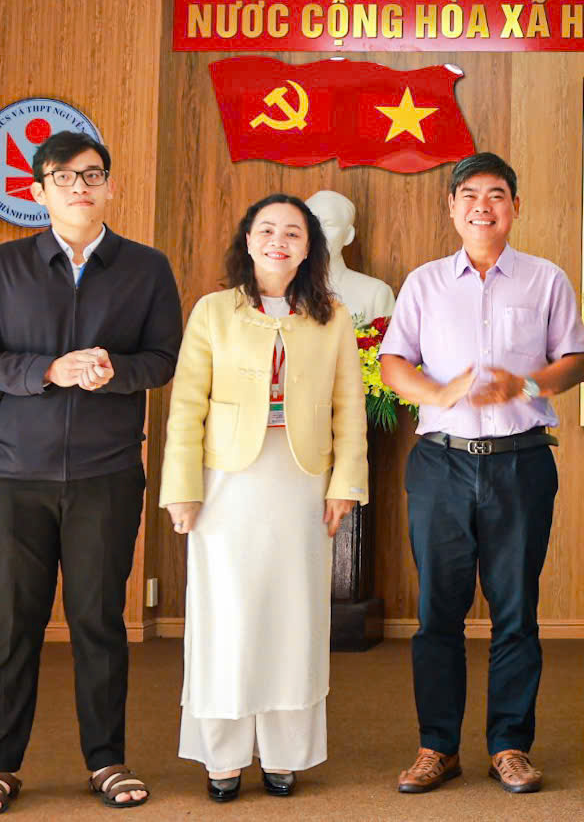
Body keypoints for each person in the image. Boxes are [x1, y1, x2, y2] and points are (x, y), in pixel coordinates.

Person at [0, 132, 180, 815]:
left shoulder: (145, 268)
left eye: (92, 174)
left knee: (99, 621)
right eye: (63, 177)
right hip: (13, 476)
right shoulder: (2, 266)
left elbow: (163, 358)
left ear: (110, 185)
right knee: (15, 622)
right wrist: (45, 370)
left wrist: (116, 371)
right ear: (38, 191)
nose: (80, 186)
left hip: (107, 475)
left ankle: (106, 759)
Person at [380, 152, 584, 796]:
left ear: (515, 207)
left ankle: (509, 746)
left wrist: (524, 383)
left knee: (516, 611)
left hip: (520, 462)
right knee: (437, 613)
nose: (482, 206)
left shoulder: (546, 278)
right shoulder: (423, 283)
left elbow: (576, 361)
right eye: (469, 195)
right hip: (440, 464)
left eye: (496, 195)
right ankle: (436, 747)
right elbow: (393, 363)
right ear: (451, 207)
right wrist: (438, 392)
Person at [158, 194, 367, 801]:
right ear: (248, 240)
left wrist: (346, 484)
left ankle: (284, 754)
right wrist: (182, 489)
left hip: (301, 482)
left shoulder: (333, 315)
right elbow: (186, 405)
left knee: (294, 616)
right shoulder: (213, 311)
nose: (279, 241)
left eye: (293, 233)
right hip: (224, 482)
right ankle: (222, 756)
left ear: (309, 248)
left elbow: (349, 405)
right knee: (226, 616)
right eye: (267, 230)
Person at [304, 189, 395, 320]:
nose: (318, 232)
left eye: (329, 224)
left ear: (348, 235)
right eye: (312, 224)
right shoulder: (281, 289)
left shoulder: (375, 294)